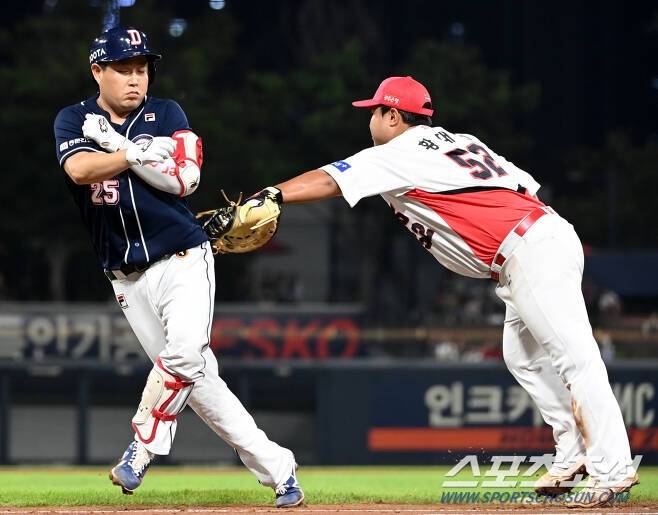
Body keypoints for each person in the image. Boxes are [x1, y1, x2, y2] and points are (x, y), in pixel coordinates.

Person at [250, 76, 638, 508]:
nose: (370, 120)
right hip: (535, 240)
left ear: (393, 116)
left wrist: (271, 195)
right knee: (522, 355)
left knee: (576, 359)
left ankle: (613, 469)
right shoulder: (460, 141)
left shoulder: (399, 152)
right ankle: (573, 453)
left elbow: (328, 180)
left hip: (528, 249)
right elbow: (525, 186)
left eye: (375, 111)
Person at [53, 26, 303, 508]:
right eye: (123, 69)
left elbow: (185, 182)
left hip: (183, 258)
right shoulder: (72, 119)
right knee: (201, 384)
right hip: (126, 278)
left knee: (185, 353)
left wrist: (119, 149)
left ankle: (141, 449)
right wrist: (132, 152)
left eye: (141, 69)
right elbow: (80, 170)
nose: (135, 79)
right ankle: (280, 468)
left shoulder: (166, 112)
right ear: (96, 71)